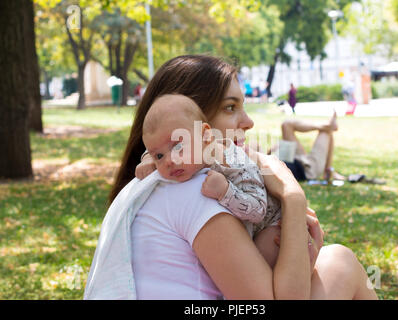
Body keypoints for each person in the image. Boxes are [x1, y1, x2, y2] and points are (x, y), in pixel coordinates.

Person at [92, 54, 377, 300]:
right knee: (341, 262)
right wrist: (292, 195)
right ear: (195, 124)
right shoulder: (195, 190)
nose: (248, 121)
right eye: (230, 107)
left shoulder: (161, 182)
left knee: (336, 261)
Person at [141, 93, 293, 269]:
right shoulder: (187, 157)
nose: (169, 161)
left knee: (258, 255)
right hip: (241, 233)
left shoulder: (234, 163)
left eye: (178, 146)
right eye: (159, 156)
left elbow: (258, 210)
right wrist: (147, 159)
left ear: (206, 135)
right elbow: (159, 143)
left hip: (272, 225)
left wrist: (226, 191)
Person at [273, 111, 347, 182]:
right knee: (325, 132)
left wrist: (273, 152)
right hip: (308, 170)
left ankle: (327, 125)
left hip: (291, 157)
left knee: (286, 124)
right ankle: (328, 170)